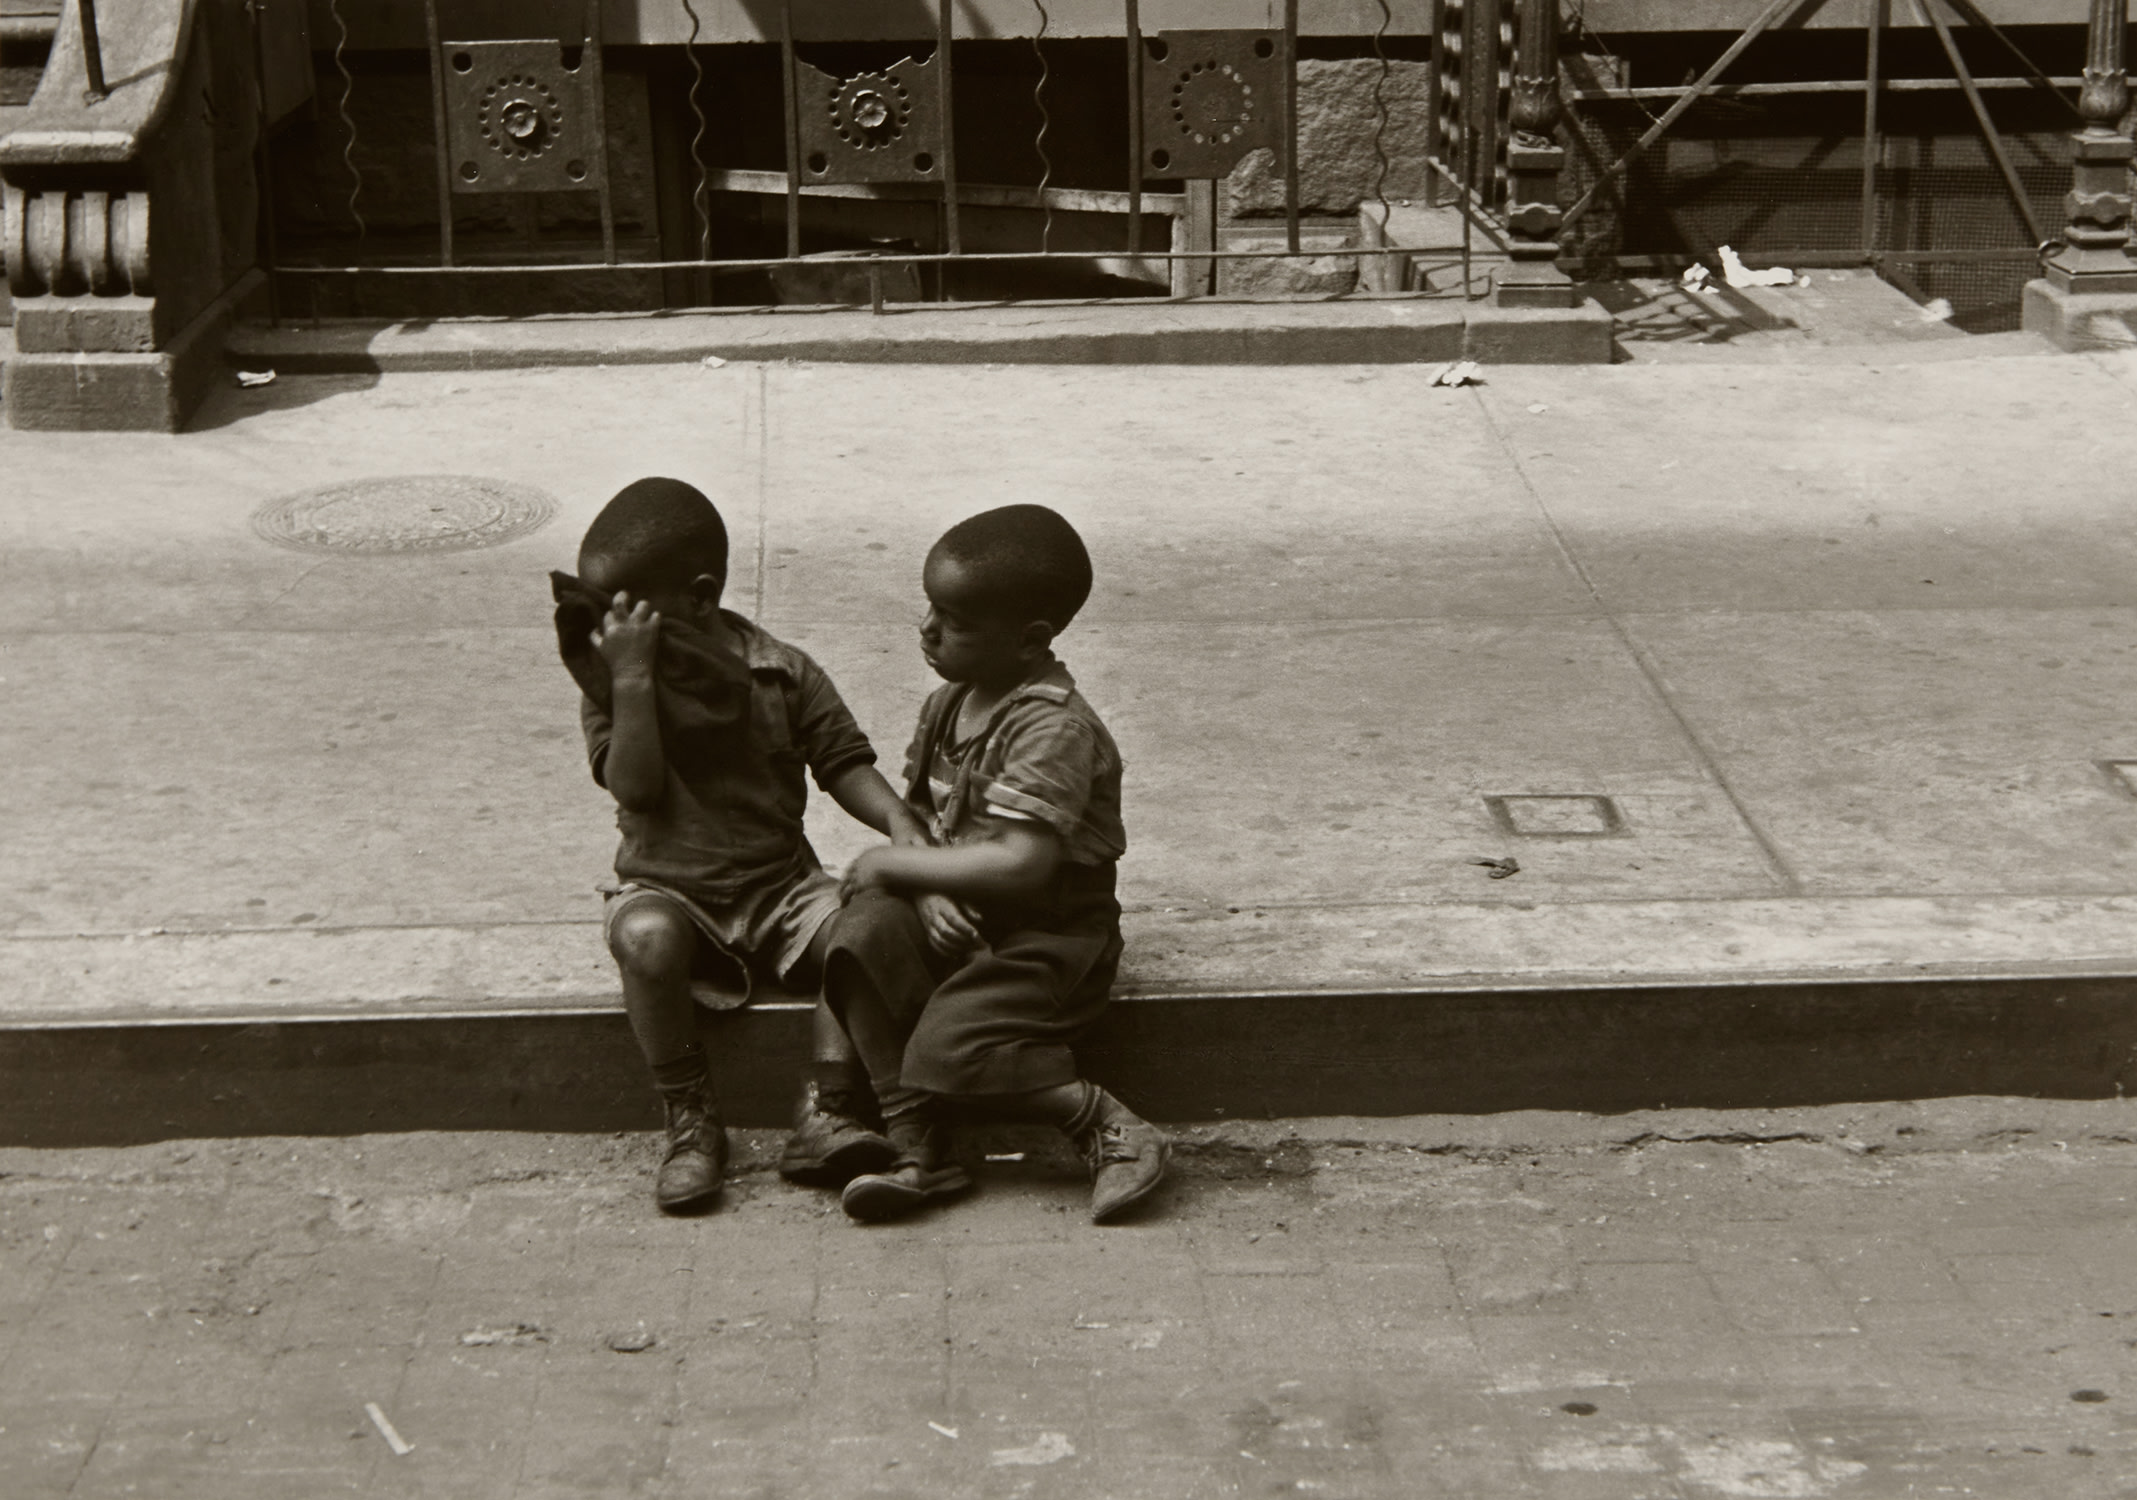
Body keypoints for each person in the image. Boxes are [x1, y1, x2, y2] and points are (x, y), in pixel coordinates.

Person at [551, 476, 927, 1213]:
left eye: (625, 609)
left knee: (868, 928)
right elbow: (635, 789)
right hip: (670, 891)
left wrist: (898, 824)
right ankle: (690, 1121)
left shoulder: (779, 671)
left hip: (780, 888)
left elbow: (842, 760)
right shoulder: (612, 679)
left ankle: (825, 1108)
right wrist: (630, 680)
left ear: (696, 598)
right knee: (646, 939)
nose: (605, 625)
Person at [824, 503, 1168, 1225]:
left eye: (954, 621)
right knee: (853, 935)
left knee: (952, 1047)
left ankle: (1105, 1125)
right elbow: (922, 825)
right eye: (929, 607)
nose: (926, 629)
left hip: (1045, 938)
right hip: (965, 918)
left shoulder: (1053, 728)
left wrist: (899, 869)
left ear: (1030, 639)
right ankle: (917, 1144)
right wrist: (918, 890)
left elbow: (1020, 864)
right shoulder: (947, 705)